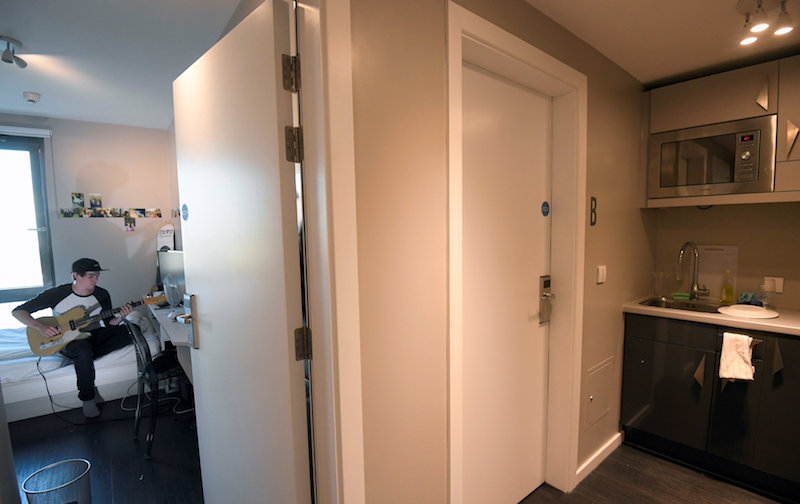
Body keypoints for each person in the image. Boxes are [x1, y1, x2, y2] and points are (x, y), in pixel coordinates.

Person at [12, 258, 133, 418]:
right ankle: (88, 398)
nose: (95, 280)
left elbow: (108, 324)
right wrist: (39, 327)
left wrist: (120, 317)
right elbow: (18, 311)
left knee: (131, 331)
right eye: (91, 276)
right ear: (76, 275)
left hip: (93, 334)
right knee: (83, 350)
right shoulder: (58, 293)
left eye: (97, 276)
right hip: (67, 339)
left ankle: (82, 358)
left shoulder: (102, 294)